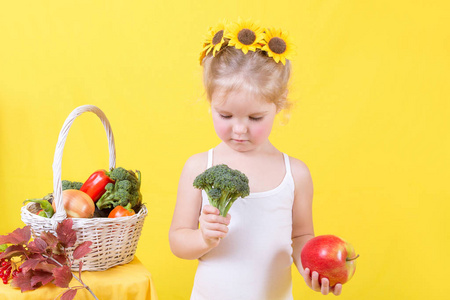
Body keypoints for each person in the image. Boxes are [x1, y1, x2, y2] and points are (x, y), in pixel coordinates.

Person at [169, 19, 343, 299]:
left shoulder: (295, 173)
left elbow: (301, 237)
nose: (239, 129)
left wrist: (313, 270)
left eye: (255, 117)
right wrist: (203, 238)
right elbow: (178, 240)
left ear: (279, 104)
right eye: (225, 115)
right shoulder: (199, 166)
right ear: (210, 103)